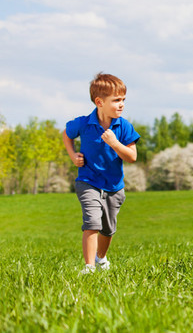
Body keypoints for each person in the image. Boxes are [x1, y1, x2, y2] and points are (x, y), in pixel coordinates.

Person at [62, 73, 140, 274]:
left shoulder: (123, 126)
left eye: (123, 100)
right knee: (92, 222)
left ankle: (101, 258)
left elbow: (132, 156)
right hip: (87, 181)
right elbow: (66, 134)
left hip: (114, 186)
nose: (121, 104)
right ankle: (88, 268)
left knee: (107, 229)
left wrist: (114, 143)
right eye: (116, 100)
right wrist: (73, 156)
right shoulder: (84, 123)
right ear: (99, 102)